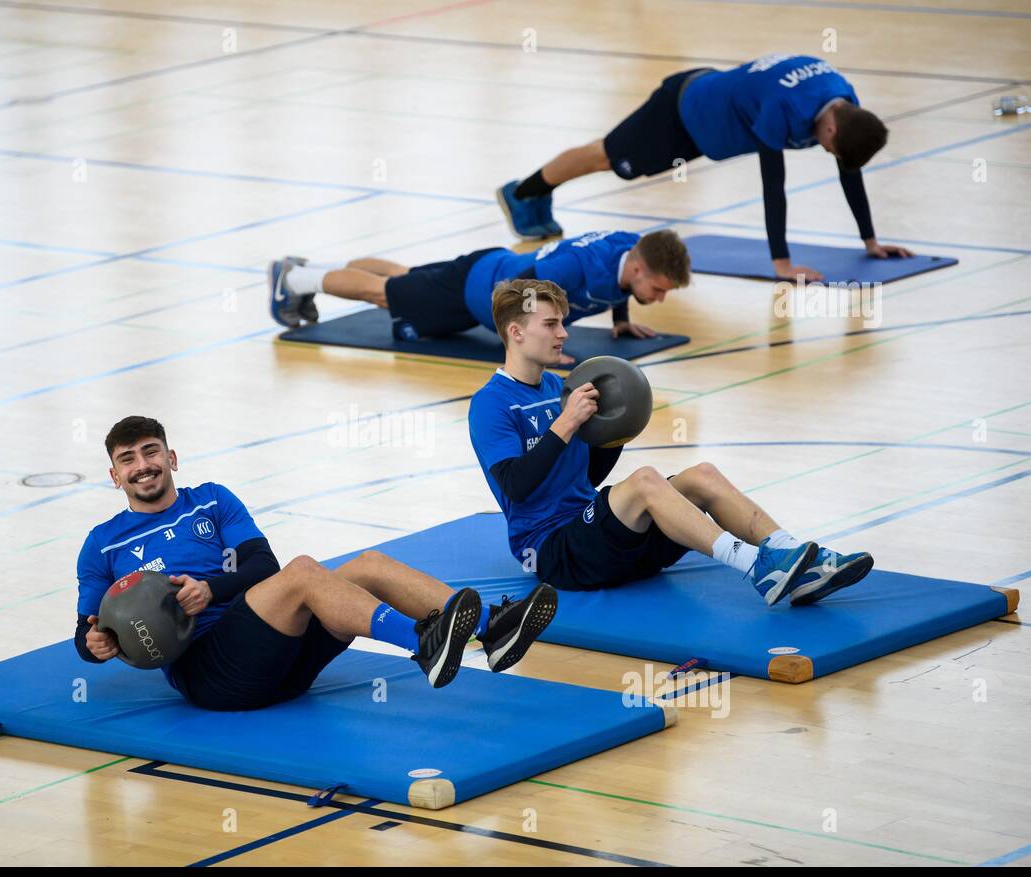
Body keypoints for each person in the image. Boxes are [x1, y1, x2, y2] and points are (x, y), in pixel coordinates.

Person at [73, 416, 558, 711]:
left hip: (277, 658)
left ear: (172, 457)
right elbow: (87, 631)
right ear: (115, 476)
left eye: (151, 451)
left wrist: (211, 590)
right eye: (128, 459)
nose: (143, 465)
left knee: (366, 564)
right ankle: (423, 644)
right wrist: (95, 644)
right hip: (213, 676)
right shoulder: (103, 544)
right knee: (305, 572)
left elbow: (262, 566)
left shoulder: (212, 501)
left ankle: (494, 631)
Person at [467, 279, 874, 605]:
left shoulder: (560, 386)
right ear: (516, 332)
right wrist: (567, 423)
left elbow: (584, 477)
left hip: (599, 538)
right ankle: (758, 568)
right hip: (556, 553)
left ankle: (801, 560)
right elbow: (516, 487)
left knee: (701, 475)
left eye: (562, 322)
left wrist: (614, 433)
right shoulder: (491, 404)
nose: (564, 334)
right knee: (645, 481)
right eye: (551, 324)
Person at [497, 54, 912, 281]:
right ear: (833, 124)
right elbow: (773, 186)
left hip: (712, 109)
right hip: (682, 113)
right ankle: (523, 192)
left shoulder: (845, 99)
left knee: (610, 159)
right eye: (829, 145)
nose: (826, 152)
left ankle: (533, 193)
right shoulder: (782, 109)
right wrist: (781, 264)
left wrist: (870, 241)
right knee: (607, 156)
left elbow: (849, 170)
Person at [269, 229, 690, 360]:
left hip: (483, 270)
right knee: (386, 294)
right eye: (657, 289)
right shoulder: (574, 267)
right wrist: (536, 348)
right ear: (638, 269)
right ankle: (294, 279)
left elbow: (615, 282)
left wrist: (620, 320)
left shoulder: (631, 250)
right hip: (476, 288)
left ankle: (315, 271)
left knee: (407, 280)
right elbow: (520, 293)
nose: (660, 298)